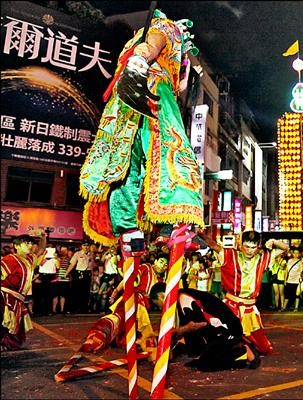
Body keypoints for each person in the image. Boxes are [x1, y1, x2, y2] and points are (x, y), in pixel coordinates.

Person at [78, 11, 203, 248]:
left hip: (123, 102)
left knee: (124, 164)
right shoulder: (167, 28)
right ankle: (174, 220)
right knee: (170, 151)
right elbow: (153, 43)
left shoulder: (132, 43)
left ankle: (128, 228)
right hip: (152, 92)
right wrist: (141, 59)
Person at [202, 230, 288, 356]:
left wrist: (273, 241)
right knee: (222, 341)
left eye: (253, 247)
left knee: (264, 349)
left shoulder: (263, 257)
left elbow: (285, 248)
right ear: (241, 244)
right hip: (232, 306)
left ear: (258, 246)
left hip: (250, 310)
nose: (249, 250)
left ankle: (242, 348)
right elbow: (213, 245)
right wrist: (201, 233)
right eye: (246, 246)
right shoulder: (230, 255)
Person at [149, 284, 260, 370]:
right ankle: (209, 353)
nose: (159, 308)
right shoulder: (181, 297)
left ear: (161, 296)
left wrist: (176, 332)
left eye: (157, 303)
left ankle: (244, 353)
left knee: (206, 364)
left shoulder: (183, 298)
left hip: (227, 330)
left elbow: (196, 325)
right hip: (217, 331)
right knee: (198, 359)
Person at [80, 253, 169, 354]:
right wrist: (116, 291)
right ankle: (95, 339)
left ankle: (149, 351)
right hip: (134, 299)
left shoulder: (160, 279)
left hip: (142, 304)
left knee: (128, 331)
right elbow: (130, 277)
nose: (163, 266)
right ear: (155, 261)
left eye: (166, 265)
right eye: (161, 262)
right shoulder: (146, 267)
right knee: (119, 320)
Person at [1, 231, 47, 350]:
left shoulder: (30, 259)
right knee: (5, 321)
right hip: (5, 296)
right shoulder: (10, 259)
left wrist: (43, 237)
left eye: (31, 243)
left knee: (15, 324)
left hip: (18, 298)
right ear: (16, 246)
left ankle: (7, 344)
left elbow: (41, 249)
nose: (30, 246)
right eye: (26, 243)